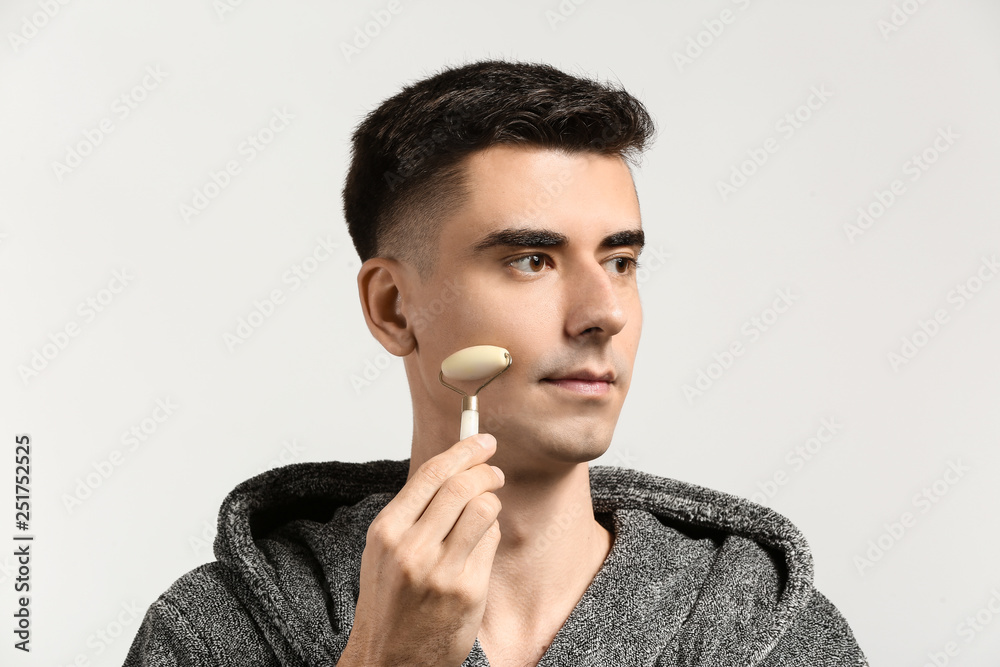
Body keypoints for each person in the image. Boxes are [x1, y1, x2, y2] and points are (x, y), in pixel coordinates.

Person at [124, 60, 868, 667]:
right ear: (392, 308)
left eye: (621, 259)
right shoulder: (209, 636)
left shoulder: (775, 637)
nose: (603, 310)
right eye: (532, 259)